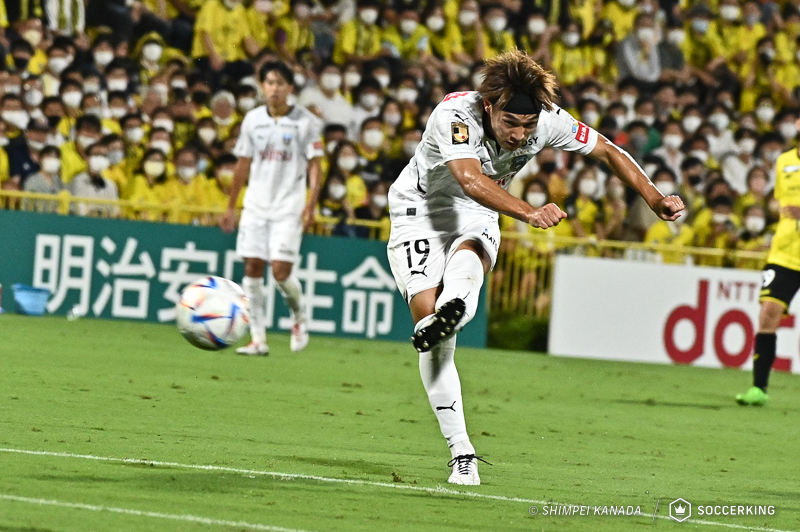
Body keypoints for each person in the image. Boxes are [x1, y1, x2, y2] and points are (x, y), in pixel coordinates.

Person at [387, 50, 684, 485]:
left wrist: (654, 197)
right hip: (420, 210)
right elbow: (469, 178)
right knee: (430, 325)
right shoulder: (455, 115)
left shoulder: (548, 119)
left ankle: (462, 448)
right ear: (489, 106)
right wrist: (528, 211)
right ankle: (460, 434)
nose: (519, 134)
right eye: (510, 122)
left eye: (528, 126)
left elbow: (606, 150)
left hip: (479, 210)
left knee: (469, 257)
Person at [219, 61, 324, 356]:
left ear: (290, 87)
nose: (274, 88)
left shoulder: (306, 122)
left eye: (279, 83)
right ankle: (257, 339)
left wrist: (310, 204)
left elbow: (316, 166)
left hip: (289, 206)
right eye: (269, 82)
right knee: (252, 267)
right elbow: (243, 163)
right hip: (255, 205)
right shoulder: (252, 120)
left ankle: (299, 316)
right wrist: (231, 207)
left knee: (280, 272)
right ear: (262, 86)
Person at [736, 116, 800, 406]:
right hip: (784, 253)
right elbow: (779, 202)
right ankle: (758, 388)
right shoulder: (784, 161)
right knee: (768, 313)